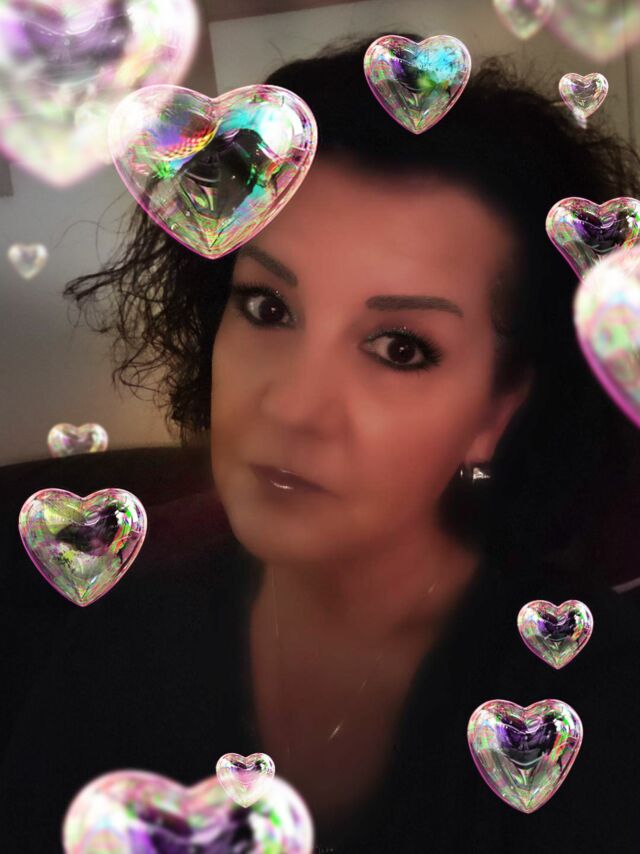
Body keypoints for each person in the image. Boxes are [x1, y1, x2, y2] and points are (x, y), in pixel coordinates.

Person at [2, 31, 640, 853]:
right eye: (268, 308)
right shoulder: (119, 644)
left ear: (498, 411)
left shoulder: (593, 696)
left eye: (400, 348)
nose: (295, 408)